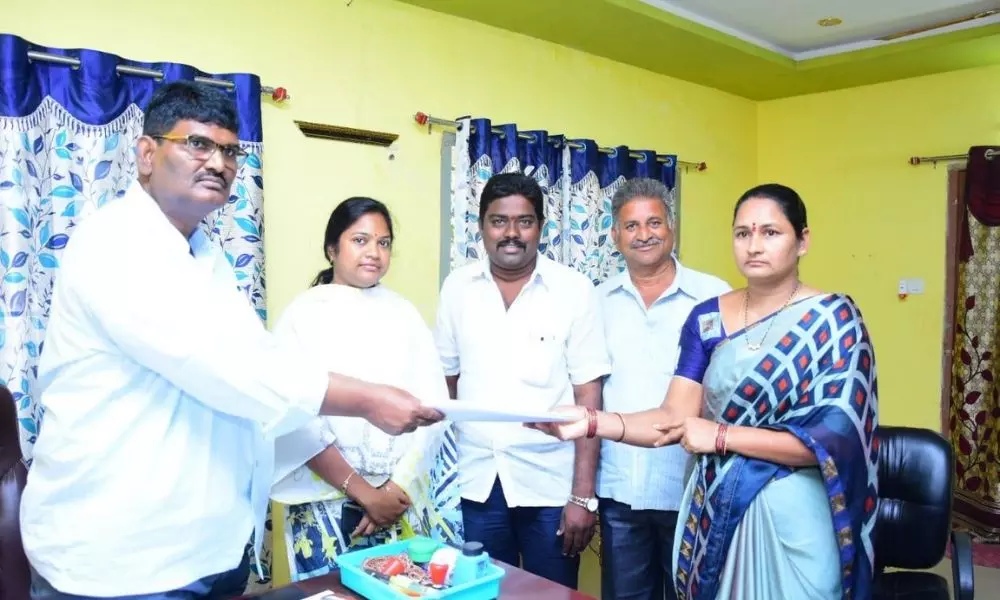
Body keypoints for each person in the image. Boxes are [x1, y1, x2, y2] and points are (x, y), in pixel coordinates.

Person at [20, 81, 441, 600]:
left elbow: (258, 364)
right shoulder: (117, 244)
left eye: (230, 151)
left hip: (209, 549)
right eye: (197, 144)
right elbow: (234, 370)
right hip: (124, 560)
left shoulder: (206, 257)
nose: (218, 162)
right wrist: (369, 401)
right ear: (147, 154)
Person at [530, 183, 879, 600]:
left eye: (770, 232)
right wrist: (588, 422)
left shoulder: (834, 322)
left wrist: (721, 436)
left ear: (802, 241)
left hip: (799, 515)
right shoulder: (708, 317)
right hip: (718, 513)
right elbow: (672, 418)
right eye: (743, 233)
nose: (754, 245)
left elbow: (832, 441)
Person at [270, 197, 463, 581]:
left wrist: (395, 488)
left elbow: (433, 408)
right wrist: (363, 492)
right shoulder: (301, 317)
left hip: (403, 501)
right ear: (332, 248)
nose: (374, 252)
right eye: (360, 240)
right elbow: (293, 415)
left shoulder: (405, 314)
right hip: (326, 503)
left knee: (408, 588)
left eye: (383, 242)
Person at [434, 172, 611, 589]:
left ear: (541, 228)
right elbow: (445, 385)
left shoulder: (574, 290)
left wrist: (582, 497)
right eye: (499, 221)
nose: (511, 233)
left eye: (524, 221)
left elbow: (589, 400)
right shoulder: (457, 288)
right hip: (475, 484)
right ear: (481, 226)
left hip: (549, 487)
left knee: (548, 596)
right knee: (478, 594)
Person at [596, 178, 730, 600]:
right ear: (615, 235)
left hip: (692, 487)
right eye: (631, 226)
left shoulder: (715, 297)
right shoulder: (596, 302)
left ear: (671, 227)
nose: (644, 234)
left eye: (654, 222)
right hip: (621, 490)